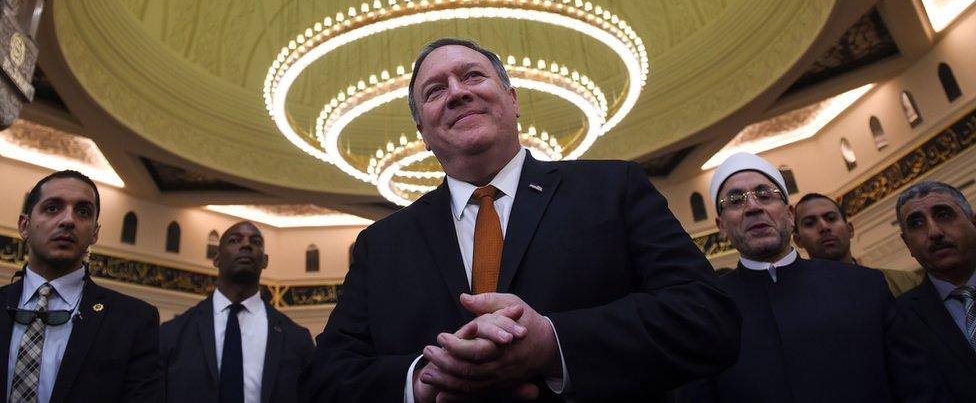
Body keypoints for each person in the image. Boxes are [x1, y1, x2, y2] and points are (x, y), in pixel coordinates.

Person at [301, 38, 740, 402]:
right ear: (423, 134)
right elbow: (325, 377)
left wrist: (553, 344)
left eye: (472, 75)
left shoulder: (612, 189)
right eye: (434, 91)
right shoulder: (382, 244)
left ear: (512, 100)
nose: (456, 92)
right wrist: (422, 380)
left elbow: (707, 318)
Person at [671, 152, 946, 403]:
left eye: (765, 195)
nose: (753, 207)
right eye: (735, 200)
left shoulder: (863, 286)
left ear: (790, 215)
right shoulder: (706, 310)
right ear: (721, 227)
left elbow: (917, 389)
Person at [0, 170, 162, 402]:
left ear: (94, 233)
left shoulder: (133, 321)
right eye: (52, 208)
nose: (68, 220)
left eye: (83, 212)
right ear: (24, 225)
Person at [160, 221, 314, 403]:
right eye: (235, 240)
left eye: (256, 242)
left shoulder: (296, 339)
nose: (246, 245)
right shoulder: (172, 334)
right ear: (216, 258)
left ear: (265, 260)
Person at [895, 181, 976, 402]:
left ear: (973, 221)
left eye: (944, 215)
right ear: (907, 244)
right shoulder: (900, 320)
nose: (934, 232)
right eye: (917, 223)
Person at [794, 192, 920, 295]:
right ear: (798, 241)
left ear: (850, 229)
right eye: (810, 223)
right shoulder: (797, 303)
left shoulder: (905, 283)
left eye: (831, 218)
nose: (824, 227)